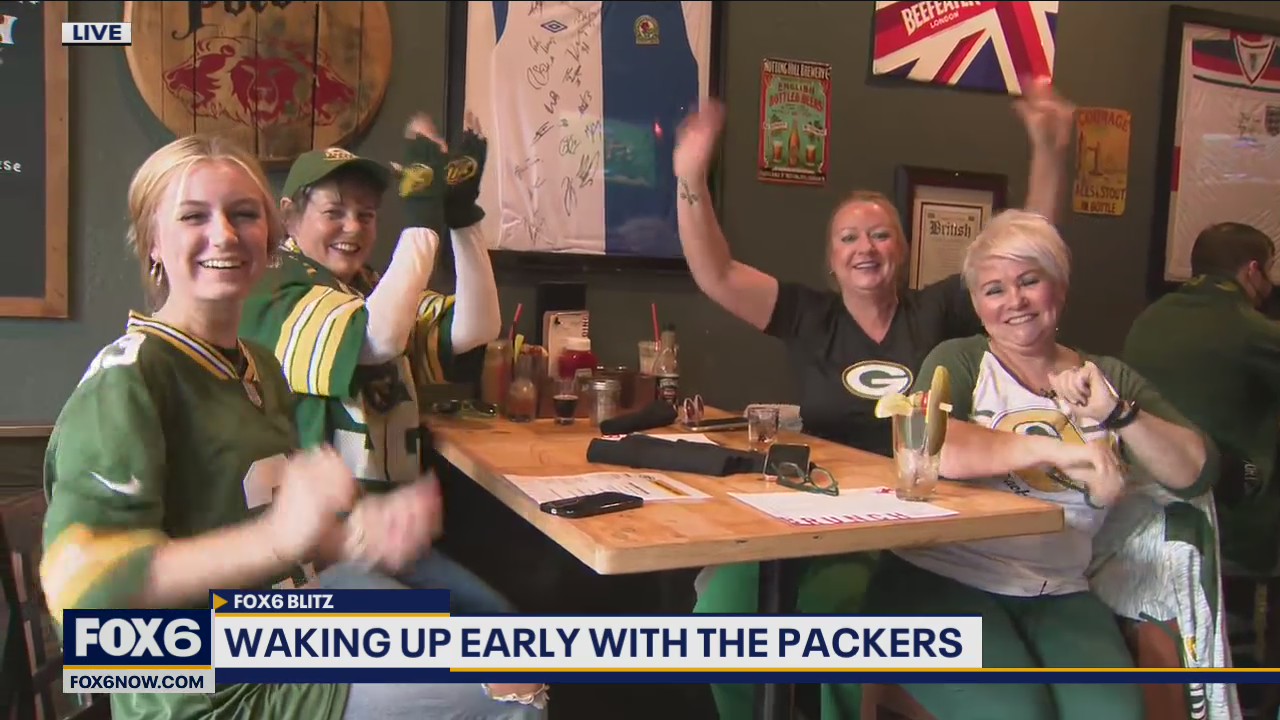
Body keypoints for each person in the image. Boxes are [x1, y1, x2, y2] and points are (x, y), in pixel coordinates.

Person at [39, 134, 547, 720]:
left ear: (268, 235)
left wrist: (358, 531)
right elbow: (82, 597)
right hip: (212, 686)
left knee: (510, 652)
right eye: (193, 216)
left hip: (289, 622)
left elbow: (275, 526)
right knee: (513, 696)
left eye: (242, 214)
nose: (224, 234)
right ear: (153, 242)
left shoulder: (257, 363)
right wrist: (280, 538)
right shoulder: (128, 378)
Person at [675, 79, 1075, 719]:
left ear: (904, 250)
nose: (866, 247)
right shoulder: (810, 316)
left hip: (914, 525)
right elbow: (715, 273)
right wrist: (691, 176)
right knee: (718, 614)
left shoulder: (940, 309)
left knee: (836, 618)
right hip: (817, 512)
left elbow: (1026, 251)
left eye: (881, 235)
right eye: (849, 238)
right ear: (831, 262)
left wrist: (1048, 150)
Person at [860, 208, 1216, 720]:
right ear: (978, 305)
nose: (1015, 302)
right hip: (942, 577)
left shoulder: (1106, 377)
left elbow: (1196, 470)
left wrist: (1116, 415)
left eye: (1030, 281)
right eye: (994, 290)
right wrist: (1060, 450)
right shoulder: (959, 360)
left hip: (1057, 589)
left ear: (1060, 288)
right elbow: (934, 446)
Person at [239, 112, 510, 614]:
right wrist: (423, 220)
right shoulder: (273, 289)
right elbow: (377, 336)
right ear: (288, 217)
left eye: (366, 214)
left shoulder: (368, 286)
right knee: (469, 661)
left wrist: (461, 220)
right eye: (334, 211)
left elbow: (476, 329)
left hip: (391, 539)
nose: (353, 227)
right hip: (315, 559)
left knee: (503, 628)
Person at [1123, 222, 1280, 577]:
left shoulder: (1149, 319)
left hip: (1147, 503)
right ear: (1253, 271)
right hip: (1229, 508)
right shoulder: (1249, 327)